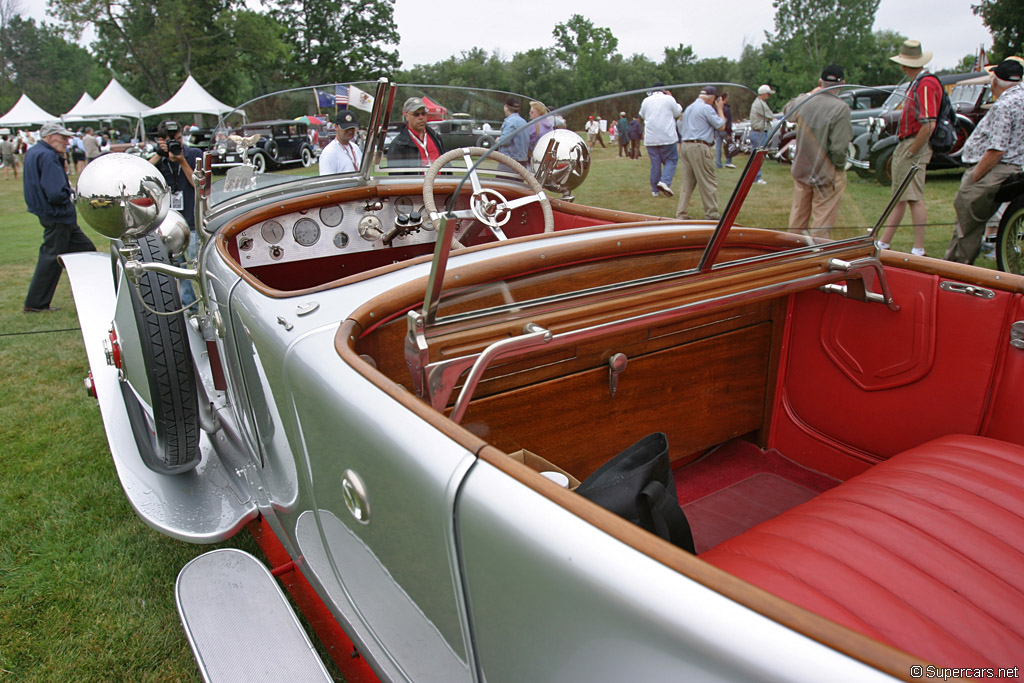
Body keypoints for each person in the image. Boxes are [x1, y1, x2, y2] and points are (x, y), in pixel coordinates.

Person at [944, 58, 1024, 264]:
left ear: (996, 82)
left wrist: (975, 176)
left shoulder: (1004, 105)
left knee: (967, 217)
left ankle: (958, 266)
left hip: (997, 167)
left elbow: (997, 150)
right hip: (1015, 164)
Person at [876, 40, 942, 257]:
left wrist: (913, 150)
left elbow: (929, 123)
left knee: (913, 196)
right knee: (900, 196)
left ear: (905, 64)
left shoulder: (925, 84)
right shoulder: (919, 83)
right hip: (909, 142)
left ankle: (918, 247)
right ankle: (884, 242)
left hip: (914, 143)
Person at [22, 121, 96, 313]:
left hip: (52, 214)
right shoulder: (48, 156)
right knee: (51, 259)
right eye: (62, 137)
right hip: (58, 215)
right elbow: (55, 192)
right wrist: (68, 194)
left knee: (86, 251)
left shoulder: (35, 152)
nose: (67, 141)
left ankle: (92, 293)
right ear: (50, 137)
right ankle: (36, 303)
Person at [788, 65, 854, 238]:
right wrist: (839, 167)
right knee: (822, 222)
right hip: (826, 173)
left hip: (802, 169)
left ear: (820, 82)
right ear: (843, 83)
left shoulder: (805, 101)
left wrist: (809, 94)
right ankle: (817, 257)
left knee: (797, 218)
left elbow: (787, 112)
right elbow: (838, 148)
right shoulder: (840, 108)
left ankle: (791, 253)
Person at [148, 120, 202, 307]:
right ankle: (190, 306)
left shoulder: (193, 154)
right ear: (162, 140)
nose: (177, 143)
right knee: (177, 269)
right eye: (172, 140)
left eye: (179, 138)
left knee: (199, 267)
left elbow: (199, 184)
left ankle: (208, 303)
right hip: (170, 225)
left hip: (193, 220)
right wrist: (159, 154)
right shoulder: (158, 159)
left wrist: (182, 161)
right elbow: (142, 177)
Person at [675, 85, 726, 220]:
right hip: (699, 146)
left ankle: (681, 213)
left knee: (687, 183)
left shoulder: (689, 108)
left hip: (686, 146)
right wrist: (720, 109)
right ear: (711, 97)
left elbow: (680, 126)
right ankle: (712, 214)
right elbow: (721, 125)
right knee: (708, 181)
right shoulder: (706, 108)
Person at [639, 82, 683, 197]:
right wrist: (672, 97)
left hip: (651, 138)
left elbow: (642, 114)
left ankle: (655, 190)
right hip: (667, 136)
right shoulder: (668, 99)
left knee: (655, 164)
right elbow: (678, 112)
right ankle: (664, 181)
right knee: (672, 160)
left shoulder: (646, 101)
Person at [387, 97, 445, 168]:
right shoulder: (398, 145)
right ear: (406, 116)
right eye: (416, 114)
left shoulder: (436, 137)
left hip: (439, 179)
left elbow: (446, 165)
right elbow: (397, 176)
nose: (421, 117)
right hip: (416, 179)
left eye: (423, 113)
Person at [319, 110, 361, 175]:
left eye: (352, 128)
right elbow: (327, 183)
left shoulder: (355, 148)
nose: (350, 131)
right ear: (336, 127)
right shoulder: (329, 153)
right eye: (346, 128)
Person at [749, 84, 775, 184]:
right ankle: (757, 178)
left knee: (755, 157)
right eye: (768, 94)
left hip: (757, 133)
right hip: (759, 133)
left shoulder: (758, 102)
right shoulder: (760, 104)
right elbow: (770, 116)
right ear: (763, 94)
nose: (769, 96)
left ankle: (753, 177)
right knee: (758, 157)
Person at [497, 97, 530, 169]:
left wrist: (497, 140)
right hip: (522, 163)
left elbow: (504, 141)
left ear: (506, 107)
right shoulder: (524, 122)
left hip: (509, 162)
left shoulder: (510, 122)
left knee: (502, 180)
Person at [715, 93, 735, 169]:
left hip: (717, 130)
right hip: (725, 130)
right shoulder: (727, 109)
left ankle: (718, 164)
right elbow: (729, 121)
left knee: (718, 148)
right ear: (725, 99)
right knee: (729, 146)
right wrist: (729, 132)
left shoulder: (716, 109)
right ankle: (728, 161)